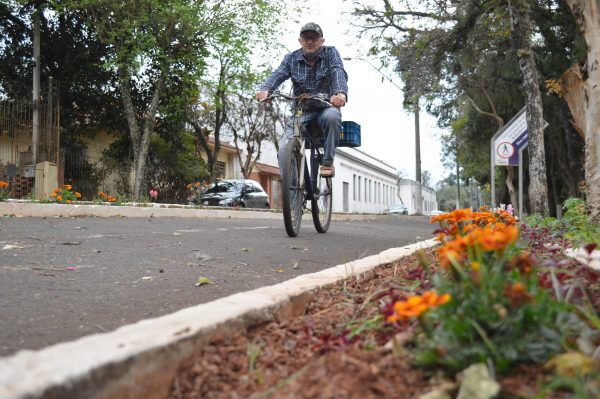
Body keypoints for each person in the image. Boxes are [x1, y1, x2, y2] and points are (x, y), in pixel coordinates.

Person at [256, 22, 348, 178]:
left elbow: (337, 71)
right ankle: (292, 193)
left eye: (314, 38)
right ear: (300, 41)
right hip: (301, 112)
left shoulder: (330, 53)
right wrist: (266, 90)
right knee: (284, 151)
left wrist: (340, 94)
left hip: (325, 107)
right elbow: (278, 74)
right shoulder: (291, 58)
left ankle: (326, 163)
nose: (310, 42)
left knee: (333, 117)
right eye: (306, 38)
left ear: (321, 41)